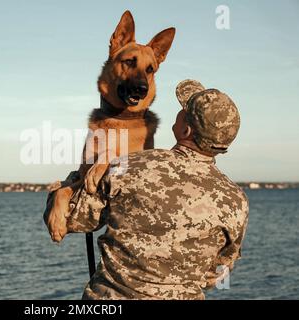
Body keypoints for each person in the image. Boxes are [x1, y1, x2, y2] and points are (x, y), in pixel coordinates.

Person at [44, 79, 249, 300]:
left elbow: (71, 219)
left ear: (185, 129)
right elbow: (217, 272)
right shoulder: (236, 200)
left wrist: (72, 181)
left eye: (183, 111)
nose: (179, 113)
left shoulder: (127, 166)